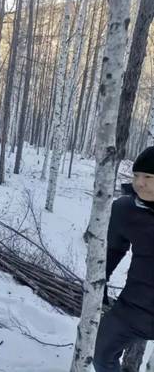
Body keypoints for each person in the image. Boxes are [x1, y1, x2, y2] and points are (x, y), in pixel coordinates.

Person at [93, 146, 154, 371]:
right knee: (99, 353)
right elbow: (111, 251)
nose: (139, 183)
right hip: (134, 307)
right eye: (136, 175)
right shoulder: (125, 210)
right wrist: (99, 284)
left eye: (148, 177)